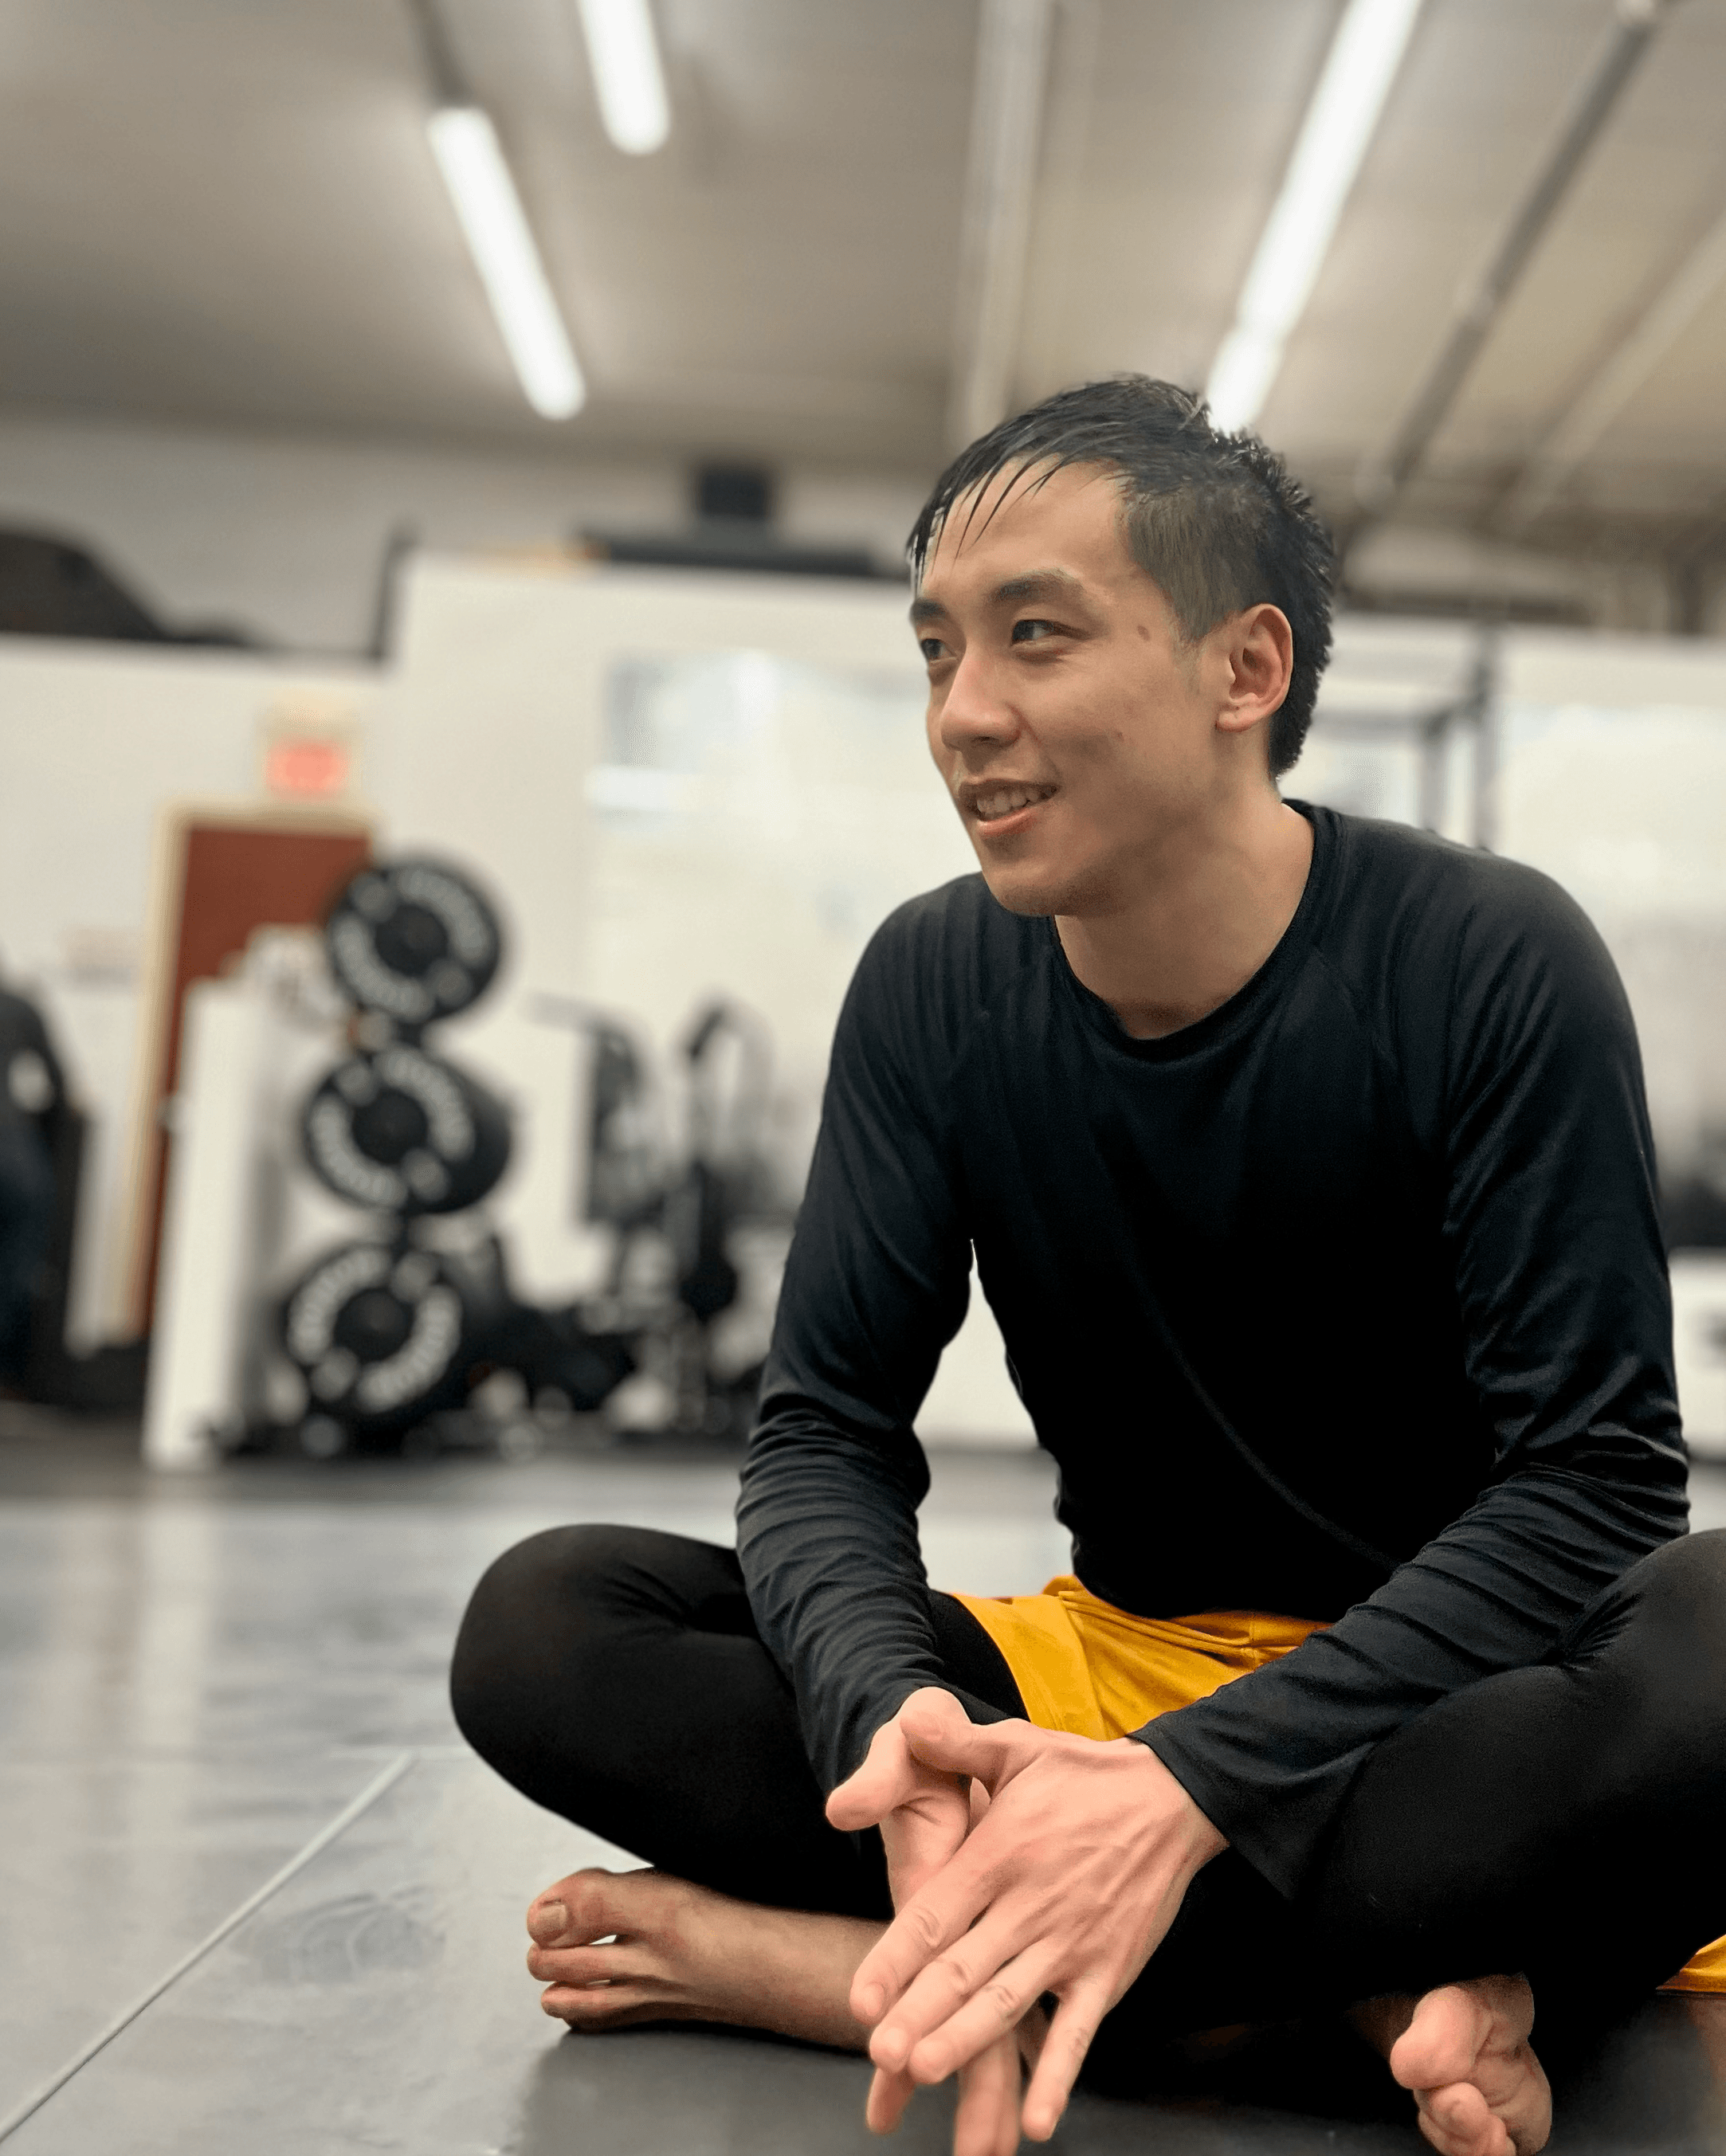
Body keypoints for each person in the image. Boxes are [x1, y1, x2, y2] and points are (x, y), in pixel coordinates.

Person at [450, 377, 1726, 2156]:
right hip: (1105, 1687)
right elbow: (822, 1433)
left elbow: (1592, 1493)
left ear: (1245, 671)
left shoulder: (1487, 958)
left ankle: (850, 1977)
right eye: (936, 652)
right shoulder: (932, 984)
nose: (967, 715)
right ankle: (1364, 1985)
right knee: (550, 1623)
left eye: (1036, 637)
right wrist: (885, 1718)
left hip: (1449, 1708)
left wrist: (1193, 1790)